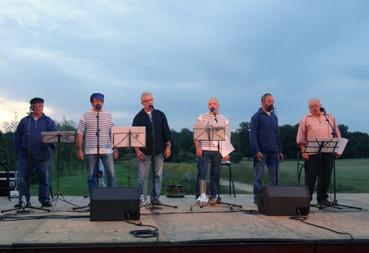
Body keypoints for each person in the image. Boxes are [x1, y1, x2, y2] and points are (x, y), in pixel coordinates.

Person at [296, 98, 341, 207]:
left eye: (316, 105)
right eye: (312, 106)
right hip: (311, 153)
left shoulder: (329, 117)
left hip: (328, 152)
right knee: (310, 178)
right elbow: (301, 137)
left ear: (320, 105)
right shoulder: (305, 119)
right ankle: (307, 199)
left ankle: (322, 199)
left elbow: (337, 135)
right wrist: (303, 151)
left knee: (326, 176)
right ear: (309, 108)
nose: (314, 108)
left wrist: (338, 150)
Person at [14, 97, 57, 207]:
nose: (40, 108)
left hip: (43, 156)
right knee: (23, 179)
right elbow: (17, 136)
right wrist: (19, 149)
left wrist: (51, 146)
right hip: (25, 155)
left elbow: (54, 136)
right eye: (37, 106)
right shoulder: (25, 121)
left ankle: (44, 200)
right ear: (32, 107)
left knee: (44, 179)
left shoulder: (48, 121)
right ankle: (23, 200)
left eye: (41, 106)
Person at [132, 92, 171, 206]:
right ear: (142, 103)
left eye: (151, 99)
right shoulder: (138, 117)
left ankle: (155, 198)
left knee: (158, 175)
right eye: (147, 100)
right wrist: (137, 151)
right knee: (142, 177)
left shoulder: (160, 114)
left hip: (159, 150)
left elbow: (166, 132)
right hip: (144, 152)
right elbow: (134, 136)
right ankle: (142, 199)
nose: (149, 102)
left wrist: (168, 146)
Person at [77, 93, 118, 196]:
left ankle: (112, 198)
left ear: (103, 102)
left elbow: (113, 132)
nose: (99, 102)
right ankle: (94, 199)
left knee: (111, 175)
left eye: (101, 101)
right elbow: (80, 132)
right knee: (91, 176)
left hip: (107, 150)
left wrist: (116, 148)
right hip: (91, 151)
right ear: (92, 102)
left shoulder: (109, 115)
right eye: (96, 100)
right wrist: (79, 149)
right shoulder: (85, 115)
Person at [194, 97, 231, 205]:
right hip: (204, 149)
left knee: (215, 173)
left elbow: (227, 136)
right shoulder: (202, 117)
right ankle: (201, 195)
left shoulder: (224, 119)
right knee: (202, 172)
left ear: (218, 105)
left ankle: (214, 196)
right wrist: (197, 147)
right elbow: (196, 135)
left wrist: (226, 152)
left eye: (214, 103)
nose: (212, 105)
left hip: (218, 150)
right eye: (210, 104)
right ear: (208, 106)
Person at [249, 93, 284, 204]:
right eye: (269, 101)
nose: (271, 103)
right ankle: (257, 197)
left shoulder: (274, 117)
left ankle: (272, 196)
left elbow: (277, 134)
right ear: (262, 102)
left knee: (274, 176)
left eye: (272, 101)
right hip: (261, 152)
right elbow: (253, 135)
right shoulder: (256, 117)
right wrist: (256, 150)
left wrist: (280, 151)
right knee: (258, 176)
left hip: (274, 152)